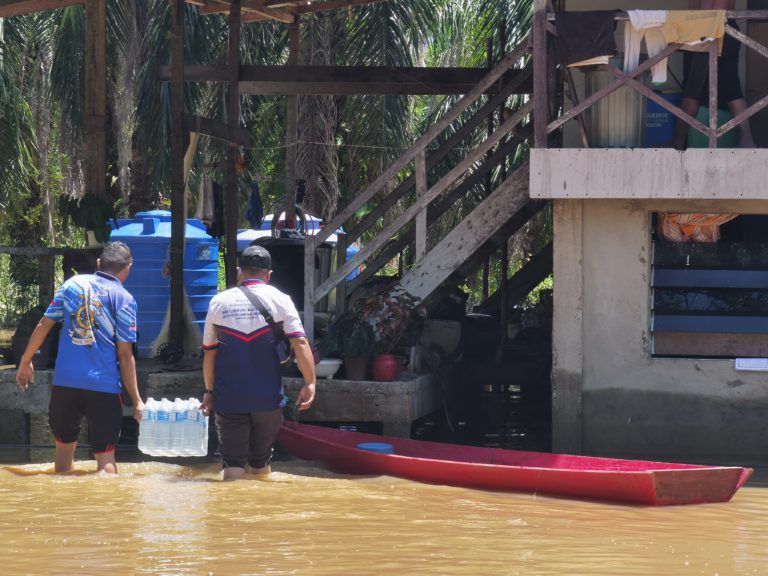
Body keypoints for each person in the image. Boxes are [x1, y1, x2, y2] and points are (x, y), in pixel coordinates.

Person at [15, 241, 144, 474]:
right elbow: (125, 355)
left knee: (63, 456)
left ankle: (65, 507)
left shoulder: (72, 285)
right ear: (128, 267)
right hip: (103, 387)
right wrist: (136, 399)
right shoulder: (124, 299)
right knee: (105, 460)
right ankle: (104, 508)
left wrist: (25, 361)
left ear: (98, 263)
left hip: (65, 385)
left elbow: (44, 324)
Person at [201, 245, 316, 481]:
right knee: (261, 464)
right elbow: (300, 344)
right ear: (269, 274)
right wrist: (310, 382)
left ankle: (232, 515)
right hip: (268, 400)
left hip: (229, 398)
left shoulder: (219, 302)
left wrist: (210, 391)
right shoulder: (282, 300)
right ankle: (261, 513)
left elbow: (210, 354)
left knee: (232, 465)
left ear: (238, 271)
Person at [672, 0, 755, 149]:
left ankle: (677, 143)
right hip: (701, 34)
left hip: (713, 33)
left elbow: (713, 11)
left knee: (696, 93)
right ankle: (677, 142)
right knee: (698, 92)